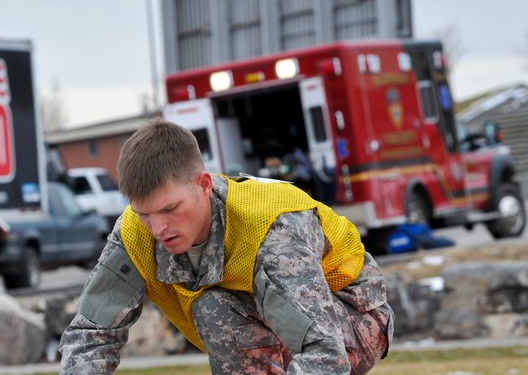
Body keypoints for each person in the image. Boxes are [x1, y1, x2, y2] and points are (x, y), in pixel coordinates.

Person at [59, 117, 394, 375]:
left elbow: (325, 354)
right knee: (215, 307)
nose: (158, 228)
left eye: (170, 209)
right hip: (265, 321)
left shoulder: (269, 228)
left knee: (215, 309)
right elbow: (90, 334)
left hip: (351, 319)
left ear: (203, 185)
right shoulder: (135, 232)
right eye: (144, 213)